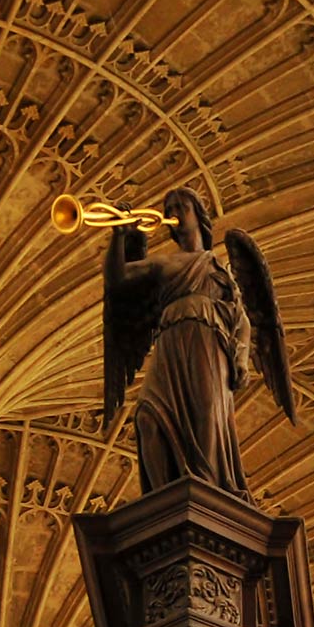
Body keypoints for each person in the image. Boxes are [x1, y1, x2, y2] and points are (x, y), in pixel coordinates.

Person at [108, 187, 254, 492]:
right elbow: (118, 278)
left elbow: (242, 320)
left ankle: (206, 489)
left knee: (206, 418)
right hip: (170, 341)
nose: (173, 212)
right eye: (169, 207)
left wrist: (241, 357)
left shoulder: (218, 270)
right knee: (147, 417)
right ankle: (163, 498)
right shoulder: (164, 264)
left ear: (198, 215)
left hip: (207, 343)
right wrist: (119, 237)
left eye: (180, 206)